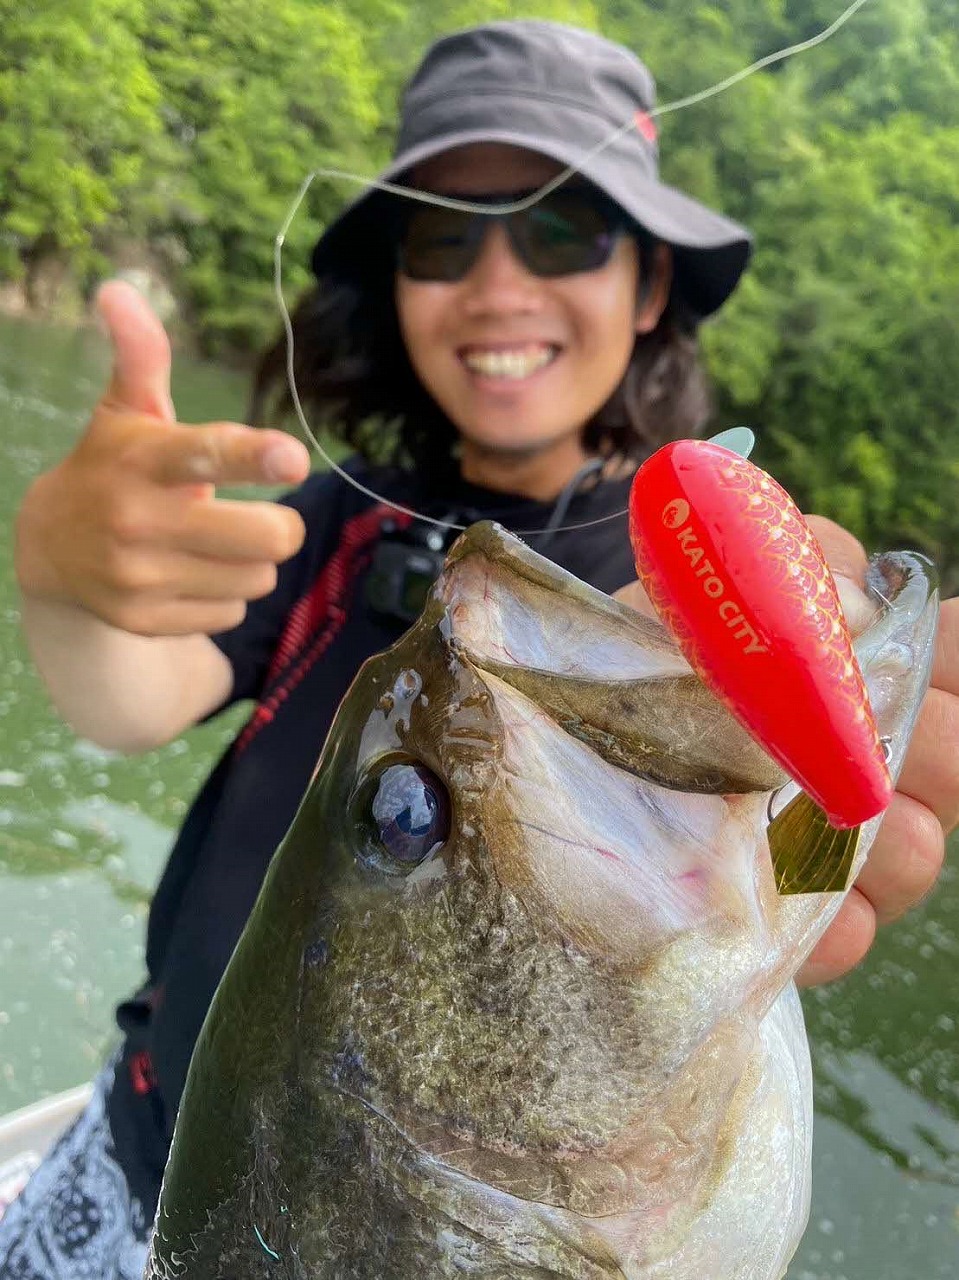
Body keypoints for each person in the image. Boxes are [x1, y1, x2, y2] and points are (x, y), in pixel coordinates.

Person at [2, 19, 956, 1279]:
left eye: (560, 228)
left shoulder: (694, 585)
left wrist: (798, 807)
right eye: (443, 237)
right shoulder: (330, 519)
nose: (498, 281)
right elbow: (125, 698)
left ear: (650, 285)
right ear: (396, 287)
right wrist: (66, 574)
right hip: (126, 1174)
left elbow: (790, 870)